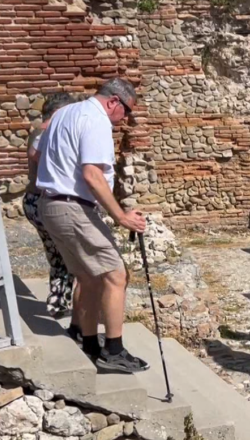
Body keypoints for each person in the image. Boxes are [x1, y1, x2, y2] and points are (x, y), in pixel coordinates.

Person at [36, 78, 148, 372]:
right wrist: (121, 216)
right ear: (113, 102)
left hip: (52, 204)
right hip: (73, 207)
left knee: (90, 278)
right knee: (115, 275)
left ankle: (89, 344)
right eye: (126, 112)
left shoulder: (64, 113)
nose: (125, 120)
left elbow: (39, 156)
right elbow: (92, 175)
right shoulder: (96, 119)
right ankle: (114, 351)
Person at [24, 92, 77, 319]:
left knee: (59, 255)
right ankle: (58, 303)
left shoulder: (40, 132)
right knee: (65, 255)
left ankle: (60, 301)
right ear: (58, 112)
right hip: (42, 201)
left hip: (36, 201)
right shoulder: (44, 134)